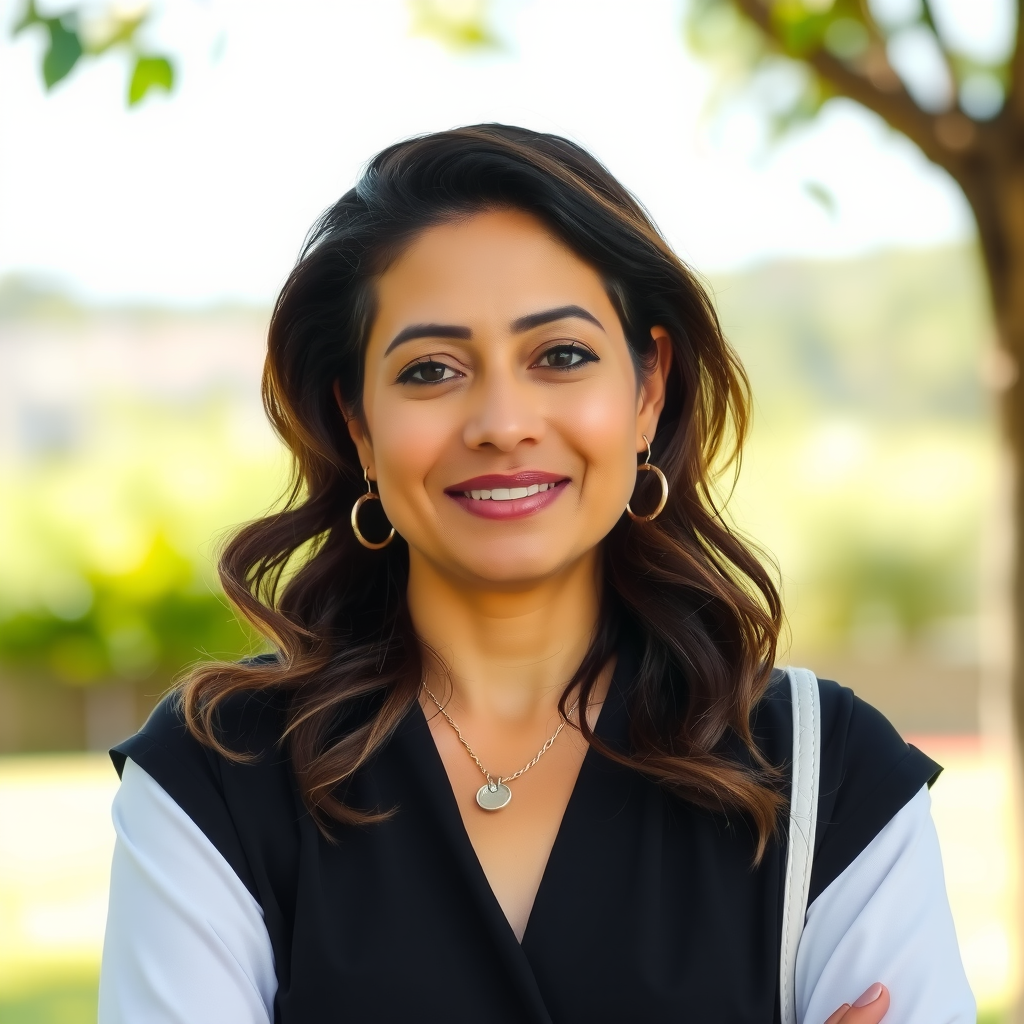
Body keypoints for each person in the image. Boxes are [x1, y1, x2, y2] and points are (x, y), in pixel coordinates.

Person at [98, 125, 974, 1024]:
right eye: (431, 370)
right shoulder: (217, 778)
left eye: (560, 356)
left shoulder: (828, 775)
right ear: (357, 423)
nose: (503, 422)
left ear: (647, 391)